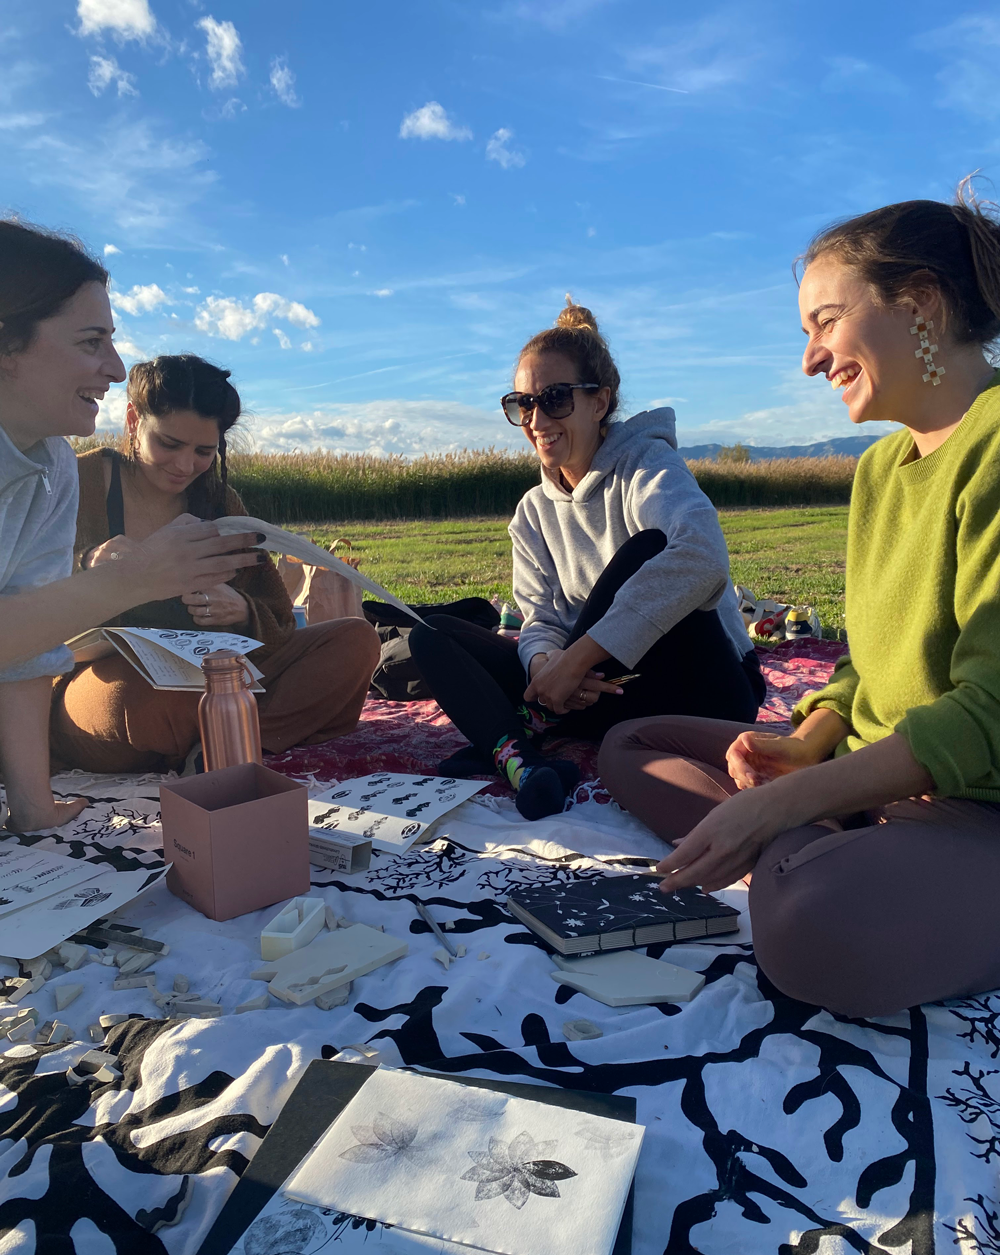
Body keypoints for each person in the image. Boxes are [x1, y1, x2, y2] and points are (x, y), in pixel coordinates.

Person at [598, 182, 1000, 1018]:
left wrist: (791, 800)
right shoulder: (879, 471)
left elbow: (988, 713)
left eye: (826, 321)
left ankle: (805, 847)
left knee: (808, 929)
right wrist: (808, 746)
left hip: (974, 803)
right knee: (631, 741)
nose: (811, 360)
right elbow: (867, 664)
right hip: (871, 774)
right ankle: (813, 839)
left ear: (920, 303)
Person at [408, 297, 764, 822]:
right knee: (430, 634)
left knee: (649, 549)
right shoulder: (532, 512)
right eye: (521, 404)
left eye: (554, 399)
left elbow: (702, 555)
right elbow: (540, 620)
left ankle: (508, 732)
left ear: (600, 402)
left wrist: (576, 661)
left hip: (702, 688)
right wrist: (547, 666)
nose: (536, 419)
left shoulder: (646, 465)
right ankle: (525, 764)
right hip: (592, 699)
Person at [0, 220, 261, 831]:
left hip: (194, 677)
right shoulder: (84, 474)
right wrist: (126, 578)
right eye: (92, 342)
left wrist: (34, 808)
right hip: (106, 687)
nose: (116, 368)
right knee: (128, 697)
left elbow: (23, 649)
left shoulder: (50, 464)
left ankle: (217, 736)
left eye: (203, 451)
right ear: (8, 342)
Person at [49, 354, 380, 774]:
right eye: (168, 444)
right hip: (110, 681)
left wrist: (243, 611)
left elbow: (278, 617)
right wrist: (87, 564)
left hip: (214, 675)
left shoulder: (218, 500)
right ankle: (239, 737)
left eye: (204, 451)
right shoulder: (77, 482)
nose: (184, 465)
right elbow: (24, 595)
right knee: (145, 699)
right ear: (133, 420)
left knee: (356, 640)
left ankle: (213, 747)